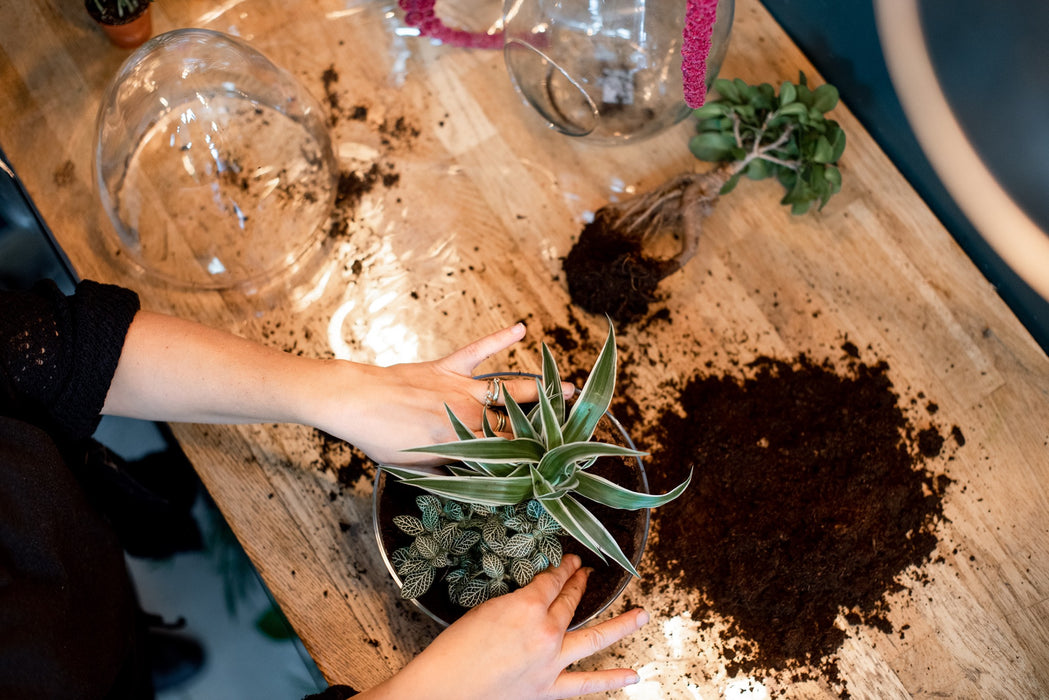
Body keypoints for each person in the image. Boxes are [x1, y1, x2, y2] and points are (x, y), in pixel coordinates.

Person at [0, 278, 648, 699]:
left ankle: (132, 656)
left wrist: (338, 391)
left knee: (111, 645)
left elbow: (45, 351)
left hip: (80, 591)